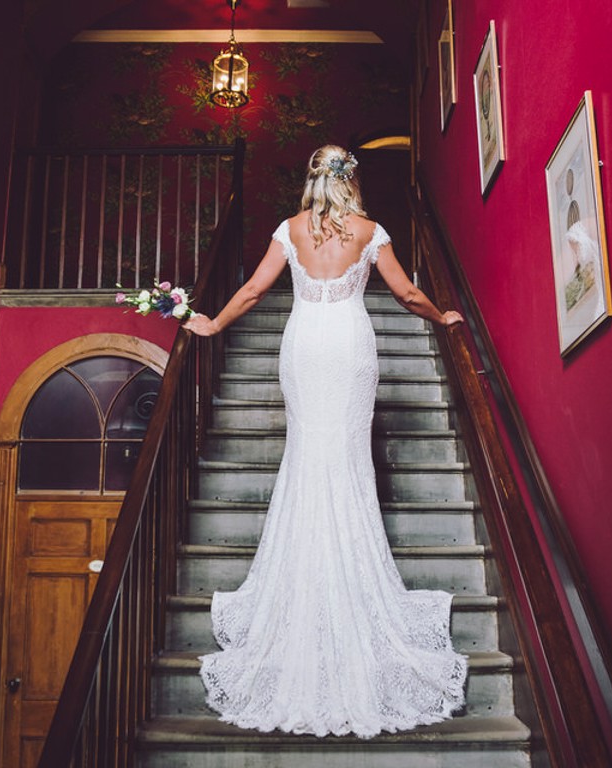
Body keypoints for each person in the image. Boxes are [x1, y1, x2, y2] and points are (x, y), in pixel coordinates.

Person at [183, 145, 467, 738]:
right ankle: (349, 592)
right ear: (352, 182)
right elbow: (407, 295)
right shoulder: (370, 230)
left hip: (305, 348)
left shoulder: (289, 230)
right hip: (350, 348)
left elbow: (255, 291)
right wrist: (444, 318)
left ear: (311, 179)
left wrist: (212, 323)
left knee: (307, 457)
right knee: (346, 462)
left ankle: (303, 590)